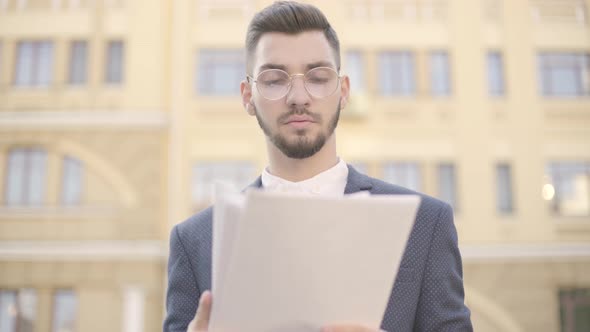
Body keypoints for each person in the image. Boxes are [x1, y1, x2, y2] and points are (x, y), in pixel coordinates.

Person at [163, 1, 473, 331]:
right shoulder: (194, 240)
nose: (299, 96)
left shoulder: (425, 224)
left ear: (343, 91)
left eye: (318, 76)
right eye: (274, 79)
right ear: (247, 96)